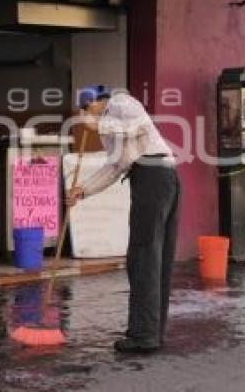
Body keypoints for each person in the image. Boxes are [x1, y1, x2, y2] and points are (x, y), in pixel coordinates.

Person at [66, 85, 180, 355]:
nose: (84, 115)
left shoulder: (121, 103)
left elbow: (136, 125)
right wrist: (83, 189)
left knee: (143, 256)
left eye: (86, 108)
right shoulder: (109, 129)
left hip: (154, 177)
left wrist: (99, 124)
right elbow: (115, 167)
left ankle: (143, 336)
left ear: (97, 102)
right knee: (153, 256)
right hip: (155, 178)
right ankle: (151, 331)